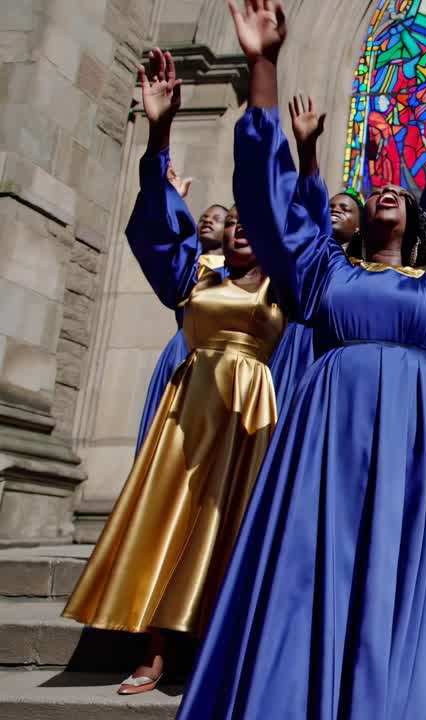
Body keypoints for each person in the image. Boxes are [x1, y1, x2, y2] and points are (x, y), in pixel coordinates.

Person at [173, 2, 426, 717]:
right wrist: (262, 65)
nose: (386, 189)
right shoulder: (325, 271)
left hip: (412, 445)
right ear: (361, 216)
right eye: (376, 190)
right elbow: (270, 203)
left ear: (418, 219)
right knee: (308, 565)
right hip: (327, 439)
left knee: (389, 576)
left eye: (401, 189)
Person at [62, 49, 286, 696]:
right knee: (170, 517)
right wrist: (158, 133)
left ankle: (217, 651)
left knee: (231, 525)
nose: (240, 227)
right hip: (187, 407)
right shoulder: (202, 273)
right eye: (232, 221)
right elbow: (159, 235)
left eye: (253, 222)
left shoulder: (287, 283)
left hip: (251, 409)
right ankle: (153, 651)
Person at [133, 197, 227, 453]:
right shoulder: (187, 267)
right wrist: (170, 198)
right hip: (182, 351)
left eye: (217, 218)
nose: (207, 220)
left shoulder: (238, 275)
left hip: (219, 358)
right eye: (203, 217)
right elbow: (158, 242)